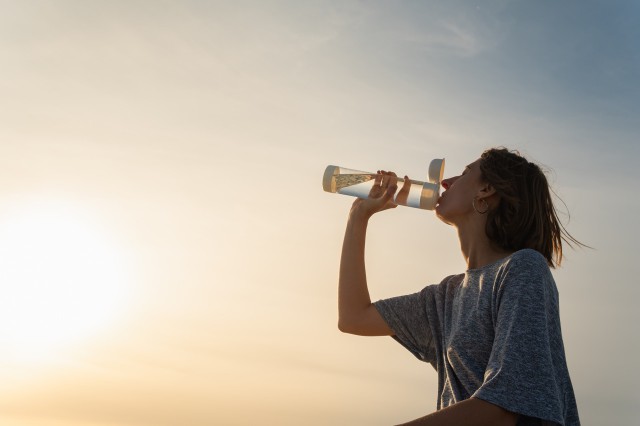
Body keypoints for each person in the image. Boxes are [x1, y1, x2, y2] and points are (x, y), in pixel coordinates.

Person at [337, 148, 582, 425]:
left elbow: (504, 410)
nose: (445, 182)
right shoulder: (446, 296)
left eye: (465, 173)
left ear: (487, 190)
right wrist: (358, 217)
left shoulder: (523, 269)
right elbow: (354, 317)